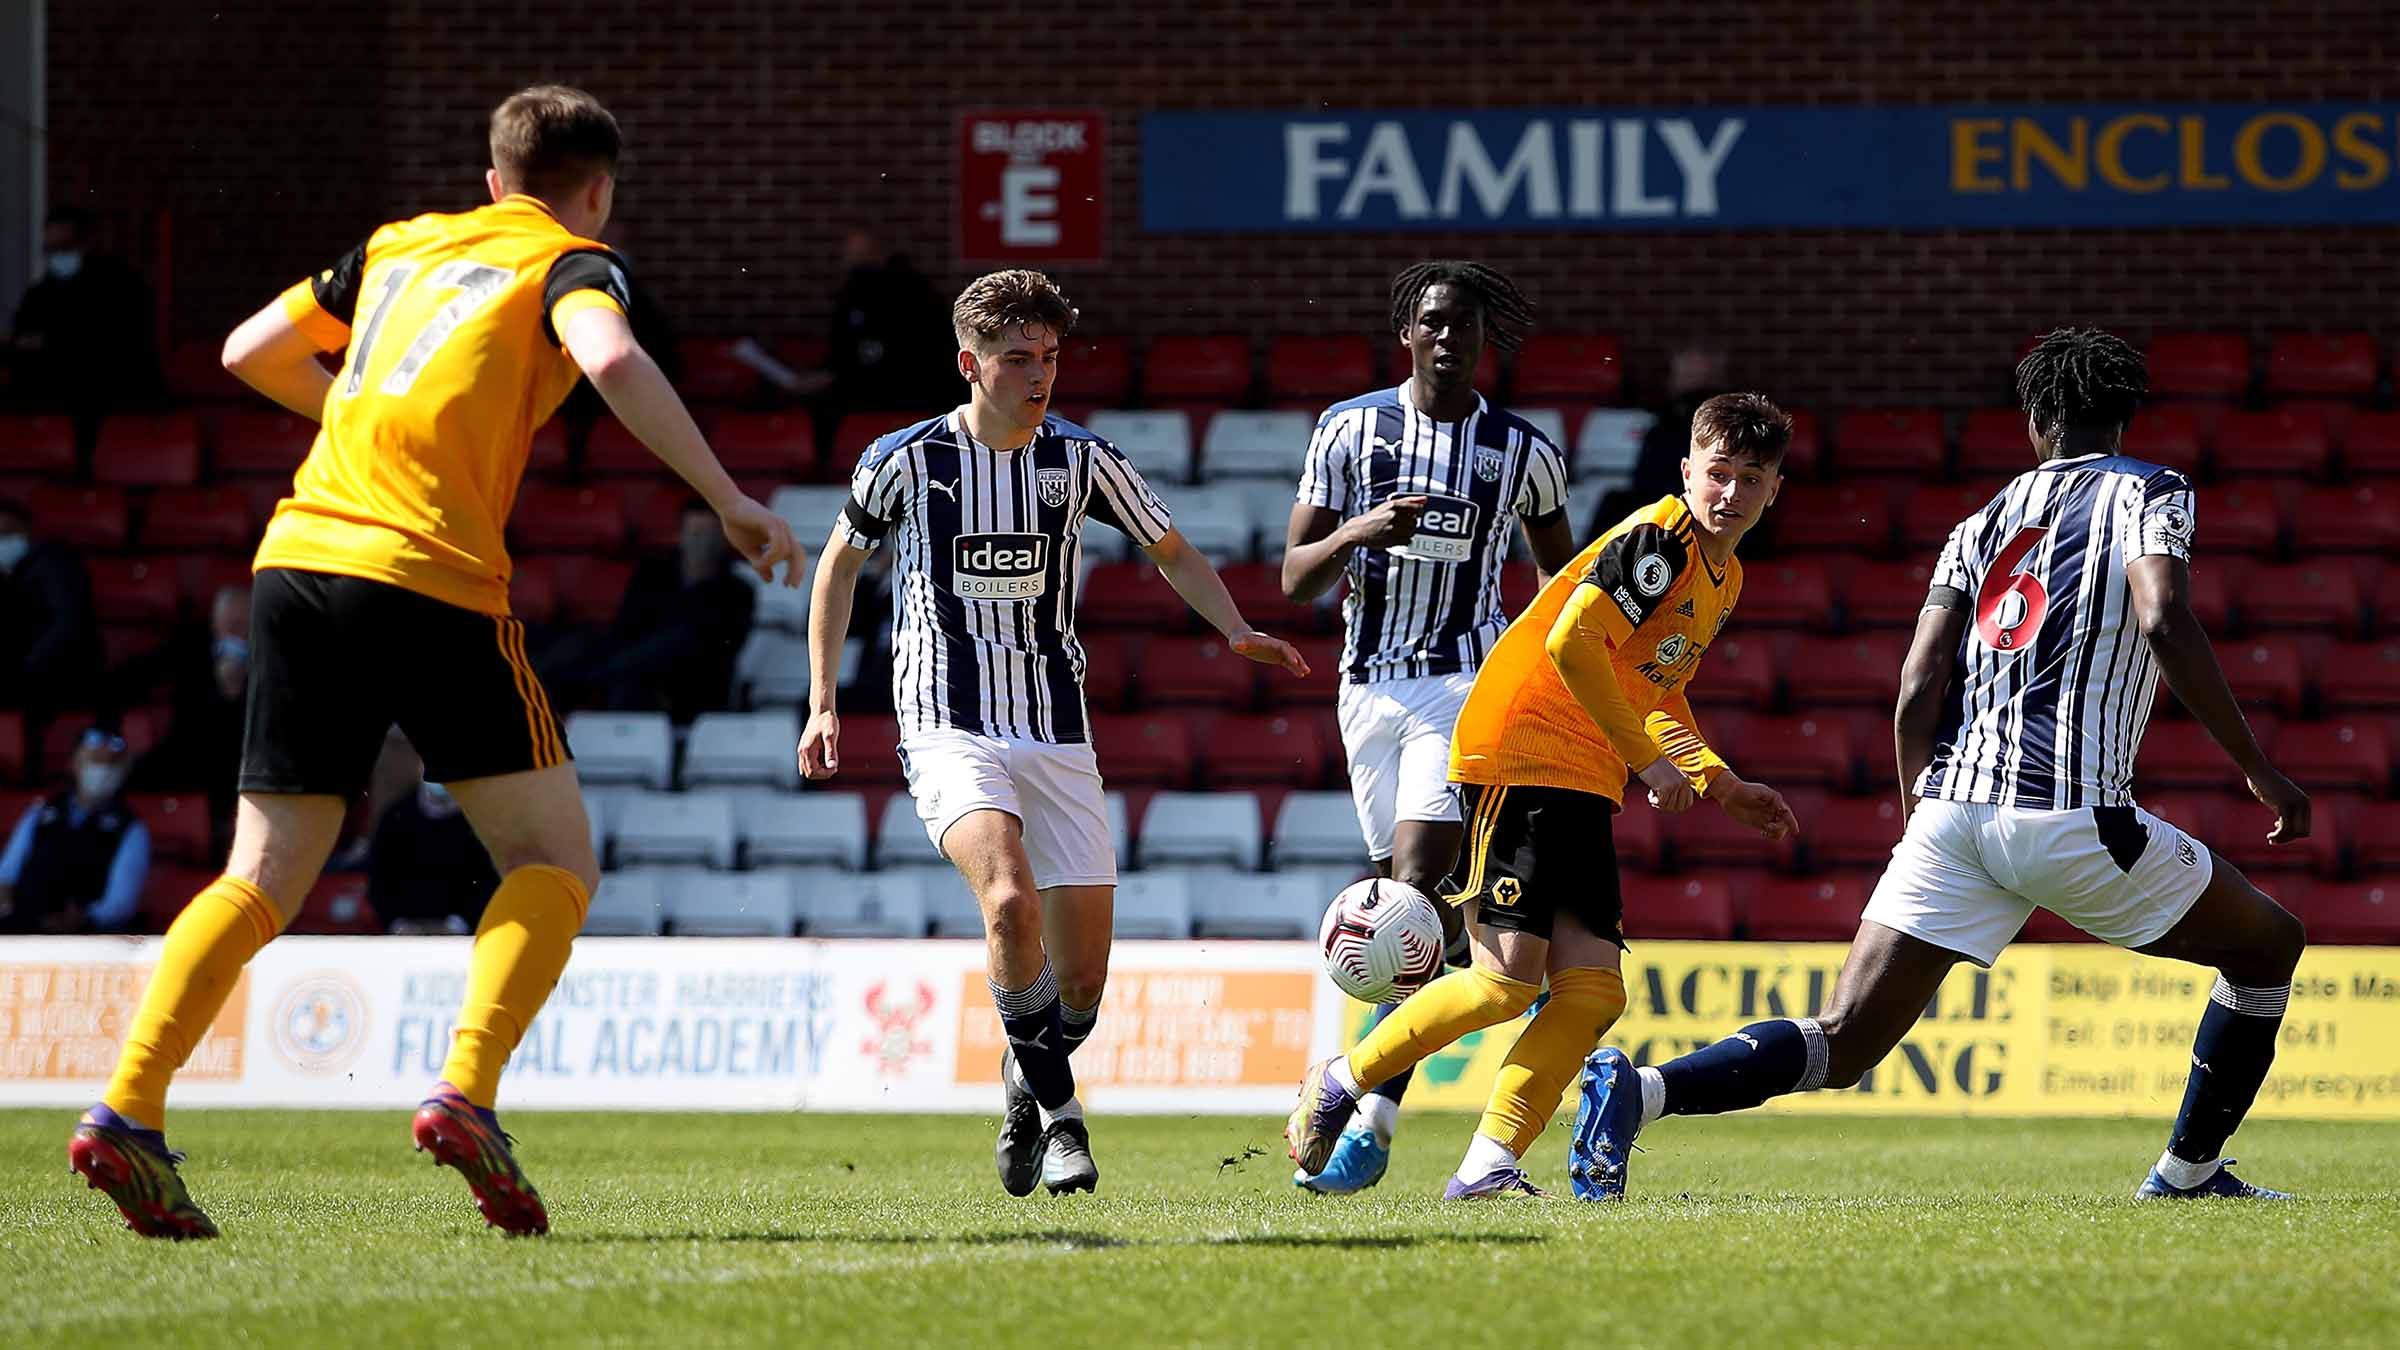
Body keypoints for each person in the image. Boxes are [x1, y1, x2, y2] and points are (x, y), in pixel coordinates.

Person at [65, 84, 801, 1241]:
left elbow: (247, 349)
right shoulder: (572, 262)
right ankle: (465, 1090)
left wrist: (355, 423)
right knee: (553, 857)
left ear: (494, 175)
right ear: (596, 192)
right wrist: (729, 499)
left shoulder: (399, 245)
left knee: (260, 876)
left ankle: (126, 1110)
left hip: (298, 563)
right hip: (432, 577)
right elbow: (610, 365)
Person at [1574, 329, 2312, 1204]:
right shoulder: (2154, 490)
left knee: (1842, 1041)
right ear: (2121, 418)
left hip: (1954, 807)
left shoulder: (1980, 521)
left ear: (2036, 419)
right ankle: (2187, 1173)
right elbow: (2161, 618)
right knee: (2270, 946)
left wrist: (1922, 800)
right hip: (2072, 814)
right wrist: (2261, 771)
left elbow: (1921, 678)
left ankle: (1640, 1090)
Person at [800, 268, 1308, 1199]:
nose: (1040, 377)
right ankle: (1066, 1118)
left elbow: (1170, 549)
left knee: (1079, 983)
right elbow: (837, 569)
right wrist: (825, 698)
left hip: (1055, 727)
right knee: (1008, 904)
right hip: (945, 717)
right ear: (970, 363)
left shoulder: (1081, 460)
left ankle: (1024, 1081)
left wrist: (1234, 628)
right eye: (1018, 359)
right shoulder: (905, 460)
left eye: (1051, 358)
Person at [1286, 394, 1802, 1198]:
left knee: (1594, 990)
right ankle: (1341, 1080)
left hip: (1582, 775)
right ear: (1687, 471)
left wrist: (1717, 781)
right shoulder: (1659, 543)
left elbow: (1653, 688)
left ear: (1775, 489)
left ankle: (1488, 1165)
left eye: (1752, 479)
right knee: (1505, 982)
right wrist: (1647, 763)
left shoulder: (1723, 575)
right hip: (1524, 753)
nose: (1730, 493)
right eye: (1719, 474)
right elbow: (1573, 641)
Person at [1279, 261, 1578, 1194]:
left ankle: (1365, 1118)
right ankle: (1374, 1088)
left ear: (1487, 343)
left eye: (1468, 327)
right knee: (1419, 919)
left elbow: (1564, 586)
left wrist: (1549, 688)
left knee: (1408, 889)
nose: (1452, 339)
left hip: (1465, 685)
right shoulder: (1349, 429)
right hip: (1366, 687)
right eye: (1435, 323)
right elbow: (1294, 575)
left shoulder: (1523, 451)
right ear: (1406, 330)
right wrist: (1360, 531)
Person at [541, 498, 756, 721]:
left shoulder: (737, 592)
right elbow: (625, 629)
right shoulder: (652, 577)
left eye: (709, 534)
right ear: (680, 537)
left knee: (678, 640)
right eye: (695, 533)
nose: (701, 543)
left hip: (695, 687)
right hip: (636, 676)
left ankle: (588, 679)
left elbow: (718, 649)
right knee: (584, 644)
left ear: (723, 539)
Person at [121, 585, 252, 847]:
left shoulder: (274, 658)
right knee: (129, 777)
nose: (234, 634)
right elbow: (137, 673)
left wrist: (235, 694)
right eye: (229, 625)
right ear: (215, 624)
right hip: (187, 749)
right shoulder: (192, 644)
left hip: (243, 759)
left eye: (242, 626)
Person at [8, 206, 162, 427]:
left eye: (64, 247)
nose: (57, 256)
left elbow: (112, 341)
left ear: (86, 244)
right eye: (50, 250)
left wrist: (51, 341)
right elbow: (22, 335)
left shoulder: (118, 286)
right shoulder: (41, 293)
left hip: (112, 404)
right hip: (52, 405)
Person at [0, 728, 147, 934]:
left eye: (111, 763)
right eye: (95, 760)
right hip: (23, 925)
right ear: (75, 764)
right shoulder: (41, 812)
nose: (103, 770)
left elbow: (120, 905)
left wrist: (85, 918)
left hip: (83, 936)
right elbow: (6, 873)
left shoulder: (131, 828)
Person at [0, 496, 104, 722]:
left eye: (6, 534)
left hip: (60, 681)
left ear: (27, 531)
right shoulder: (13, 575)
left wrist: (23, 674)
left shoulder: (54, 564)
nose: (2, 543)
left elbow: (65, 628)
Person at [369, 779, 501, 935]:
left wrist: (458, 925)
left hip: (464, 939)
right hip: (406, 938)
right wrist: (398, 924)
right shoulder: (396, 817)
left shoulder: (479, 819)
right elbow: (380, 880)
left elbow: (490, 880)